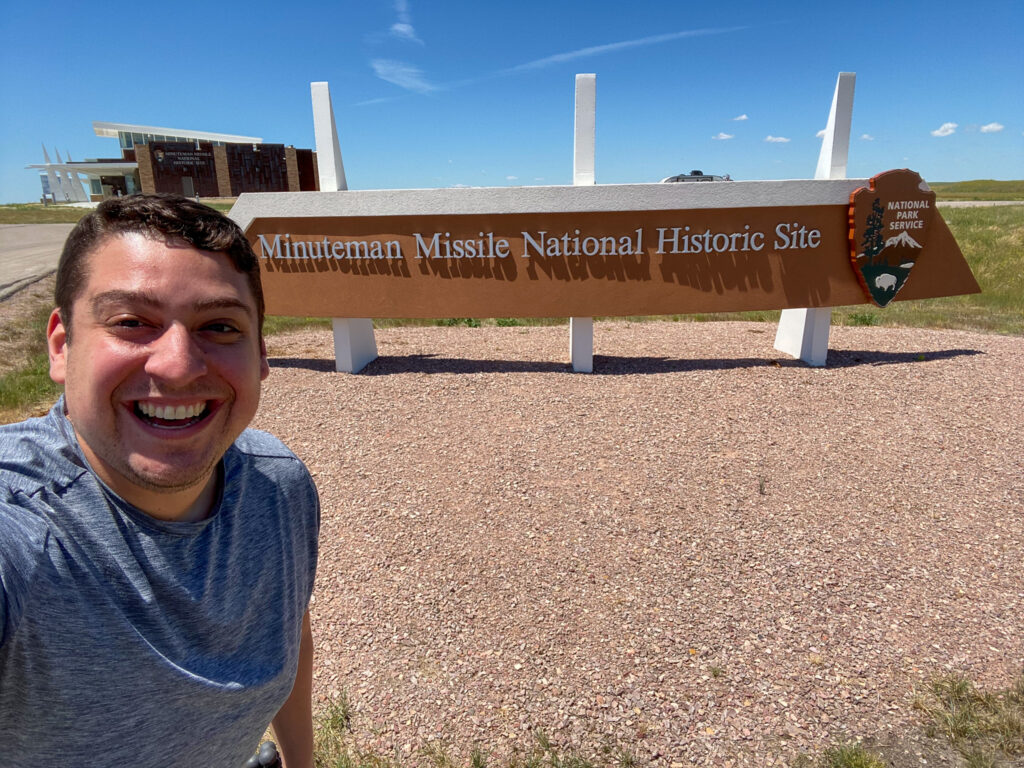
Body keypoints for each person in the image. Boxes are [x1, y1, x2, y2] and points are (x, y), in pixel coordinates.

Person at [0, 194, 319, 767]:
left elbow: (288, 626)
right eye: (131, 323)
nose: (177, 364)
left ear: (261, 355)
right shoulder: (20, 523)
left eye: (219, 326)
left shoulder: (279, 487)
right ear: (61, 345)